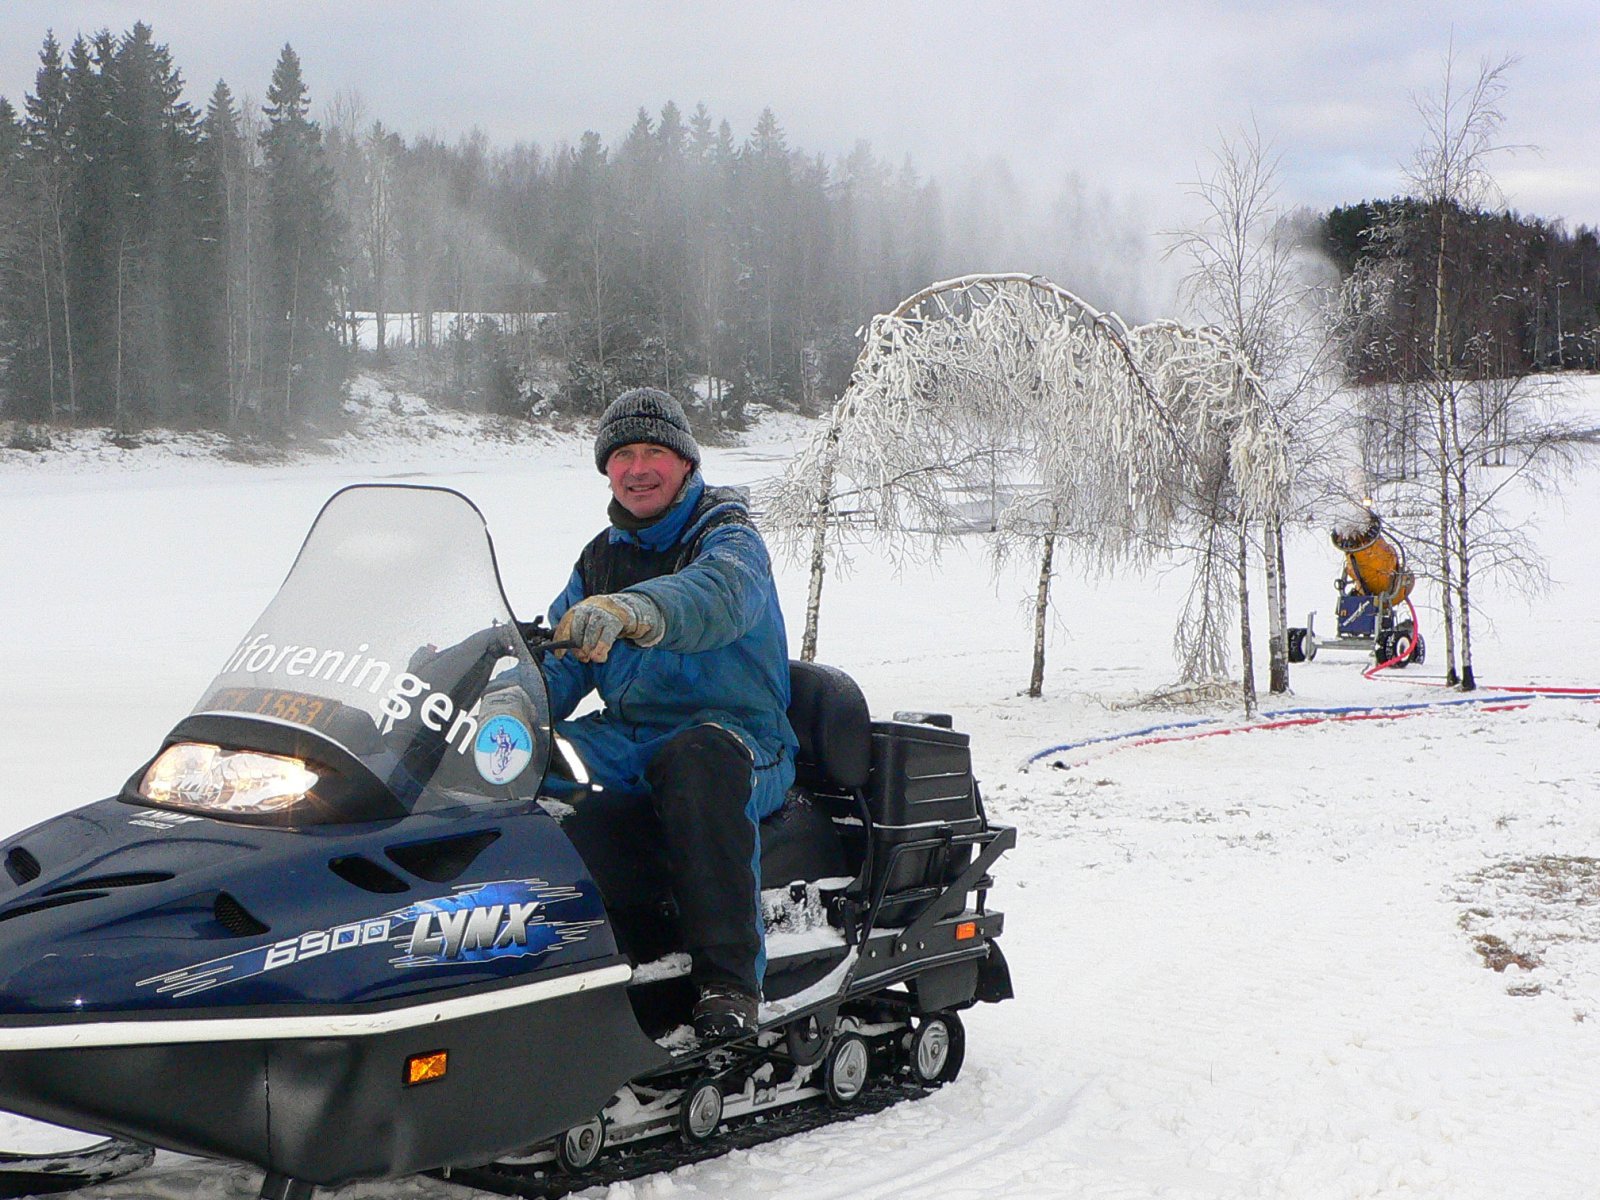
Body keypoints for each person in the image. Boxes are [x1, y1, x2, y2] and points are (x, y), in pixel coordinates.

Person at [542, 387, 798, 1040]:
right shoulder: (600, 558)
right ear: (606, 469)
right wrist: (489, 692)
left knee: (697, 759)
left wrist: (633, 611)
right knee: (517, 755)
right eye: (623, 453)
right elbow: (562, 665)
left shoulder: (729, 537)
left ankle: (728, 982)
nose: (637, 467)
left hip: (736, 737)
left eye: (654, 450)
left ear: (685, 462)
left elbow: (717, 597)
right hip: (625, 739)